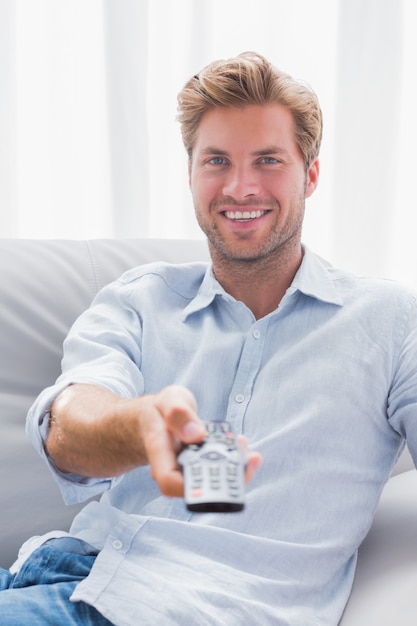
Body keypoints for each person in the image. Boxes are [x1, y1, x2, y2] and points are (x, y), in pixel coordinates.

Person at [1, 51, 416, 625]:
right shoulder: (139, 301)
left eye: (268, 160)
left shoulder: (391, 322)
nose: (240, 186)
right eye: (216, 160)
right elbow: (71, 424)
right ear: (192, 175)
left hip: (169, 612)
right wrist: (140, 429)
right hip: (56, 572)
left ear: (310, 175)